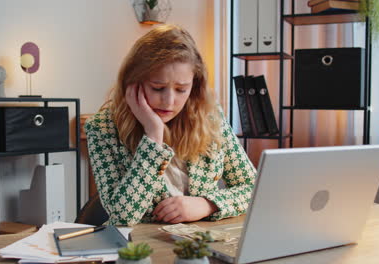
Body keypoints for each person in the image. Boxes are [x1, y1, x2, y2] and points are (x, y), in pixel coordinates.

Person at [85, 24, 256, 226]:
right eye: (158, 88)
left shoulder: (210, 117)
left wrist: (207, 204)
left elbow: (252, 187)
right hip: (139, 248)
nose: (168, 101)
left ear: (194, 86)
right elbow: (123, 217)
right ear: (133, 82)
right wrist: (153, 136)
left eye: (181, 89)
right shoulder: (101, 129)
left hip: (200, 243)